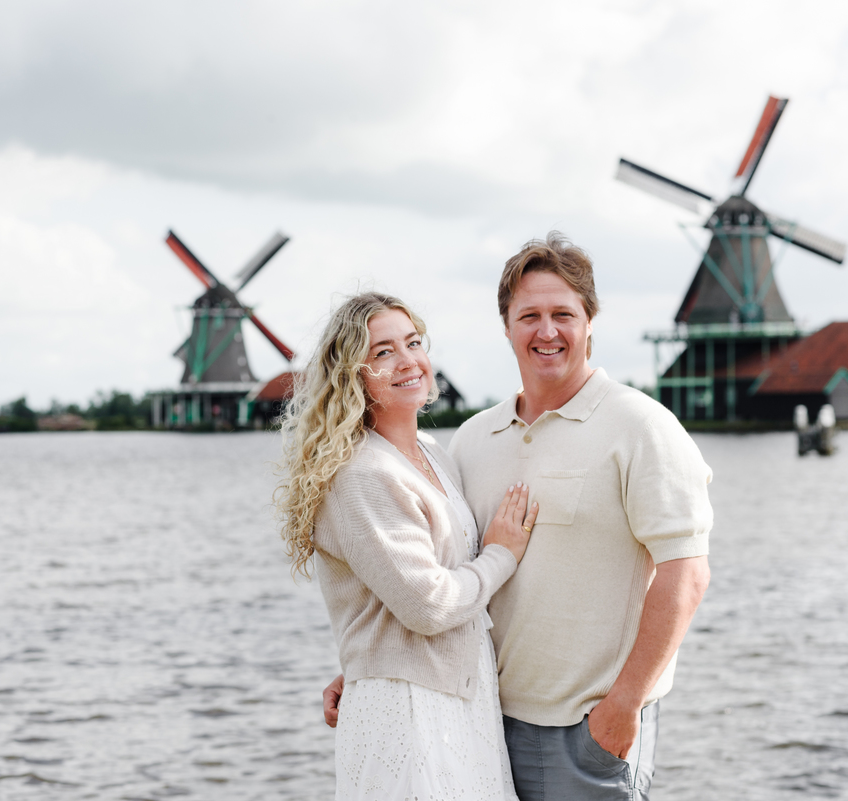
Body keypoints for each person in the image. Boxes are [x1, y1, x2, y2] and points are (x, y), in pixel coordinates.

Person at [325, 235, 713, 801]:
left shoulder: (641, 427)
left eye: (563, 314)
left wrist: (624, 705)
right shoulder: (471, 441)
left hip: (585, 730)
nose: (547, 331)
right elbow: (435, 571)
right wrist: (373, 666)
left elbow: (687, 575)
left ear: (590, 322)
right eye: (529, 315)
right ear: (506, 327)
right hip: (475, 720)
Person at [278, 291, 538, 800]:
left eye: (413, 343)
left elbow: (390, 597)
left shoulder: (432, 453)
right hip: (409, 710)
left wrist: (361, 657)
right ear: (353, 374)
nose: (407, 361)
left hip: (458, 696)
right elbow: (427, 604)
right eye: (383, 352)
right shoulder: (362, 474)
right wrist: (502, 554)